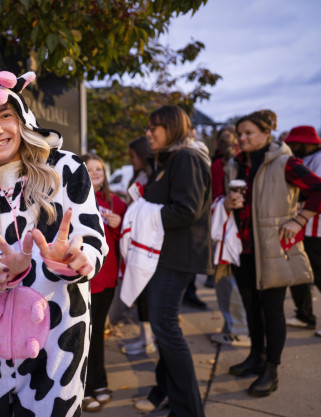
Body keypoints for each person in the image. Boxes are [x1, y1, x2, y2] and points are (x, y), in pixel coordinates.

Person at [0, 70, 107, 416]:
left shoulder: (65, 168)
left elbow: (91, 237)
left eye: (5, 116)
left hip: (58, 339)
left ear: (22, 120)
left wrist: (74, 259)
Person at [223, 111, 321, 397]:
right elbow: (227, 201)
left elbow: (318, 188)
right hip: (242, 249)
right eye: (239, 133)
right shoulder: (235, 164)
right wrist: (229, 203)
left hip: (273, 248)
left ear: (266, 134)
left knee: (273, 310)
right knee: (251, 307)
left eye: (249, 133)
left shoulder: (285, 163)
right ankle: (255, 356)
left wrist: (300, 219)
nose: (242, 138)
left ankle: (272, 369)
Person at [133, 105, 212, 416]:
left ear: (174, 129)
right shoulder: (169, 159)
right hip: (165, 254)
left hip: (177, 257)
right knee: (163, 327)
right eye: (149, 126)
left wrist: (144, 216)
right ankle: (166, 392)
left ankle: (188, 409)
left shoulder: (186, 158)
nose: (148, 133)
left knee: (165, 328)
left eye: (156, 127)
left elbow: (187, 209)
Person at [81, 152, 127, 412]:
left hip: (107, 278)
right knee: (83, 335)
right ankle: (83, 387)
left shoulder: (116, 202)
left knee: (97, 332)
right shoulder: (73, 198)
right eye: (90, 168)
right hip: (83, 278)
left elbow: (126, 240)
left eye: (99, 168)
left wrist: (119, 225)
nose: (96, 172)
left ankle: (99, 381)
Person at [209, 126, 251, 348]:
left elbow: (216, 196)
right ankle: (235, 325)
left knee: (225, 281)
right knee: (233, 280)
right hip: (238, 228)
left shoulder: (220, 165)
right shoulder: (242, 164)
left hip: (225, 229)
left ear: (217, 144)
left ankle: (238, 329)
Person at [119, 136, 157, 356]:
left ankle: (149, 340)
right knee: (141, 294)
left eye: (133, 156)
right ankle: (145, 338)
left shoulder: (152, 178)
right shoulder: (141, 176)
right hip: (135, 242)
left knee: (145, 293)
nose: (131, 160)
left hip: (145, 244)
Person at [282, 126, 321, 335]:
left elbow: (317, 191)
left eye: (293, 143)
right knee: (298, 273)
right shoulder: (301, 159)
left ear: (303, 142)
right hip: (301, 229)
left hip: (316, 229)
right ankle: (304, 314)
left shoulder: (319, 159)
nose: (290, 146)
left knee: (318, 274)